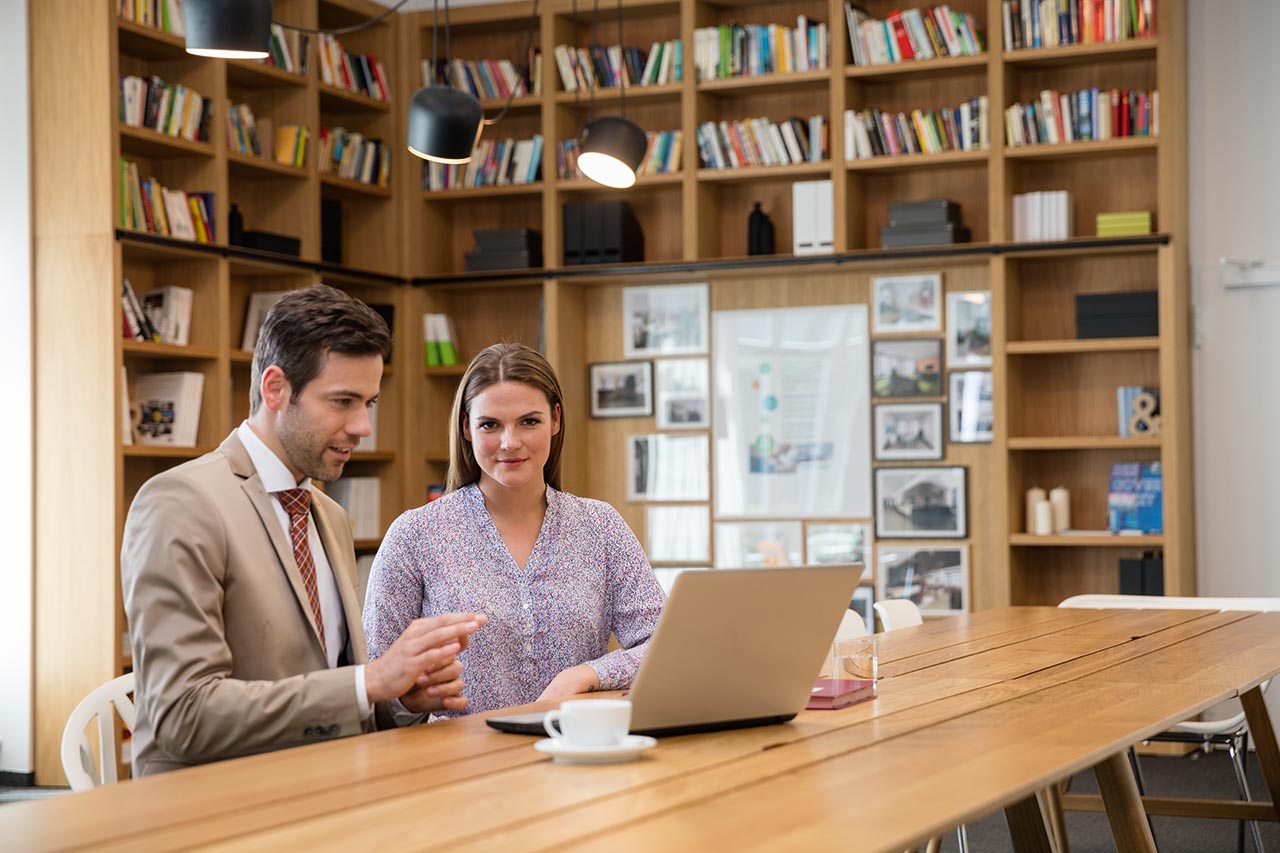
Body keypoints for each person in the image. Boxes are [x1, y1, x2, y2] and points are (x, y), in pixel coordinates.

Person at [122, 285, 486, 776]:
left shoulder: (326, 514)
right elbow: (183, 716)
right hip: (214, 812)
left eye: (369, 404)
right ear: (275, 389)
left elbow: (332, 696)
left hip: (327, 791)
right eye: (343, 401)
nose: (363, 427)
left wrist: (403, 697)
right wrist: (368, 682)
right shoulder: (181, 503)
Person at [363, 343, 664, 719]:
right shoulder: (415, 535)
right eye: (490, 424)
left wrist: (587, 673)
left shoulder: (600, 527)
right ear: (467, 428)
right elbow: (373, 678)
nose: (510, 442)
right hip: (458, 764)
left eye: (529, 421)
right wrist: (412, 697)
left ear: (555, 420)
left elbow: (665, 644)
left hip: (572, 755)